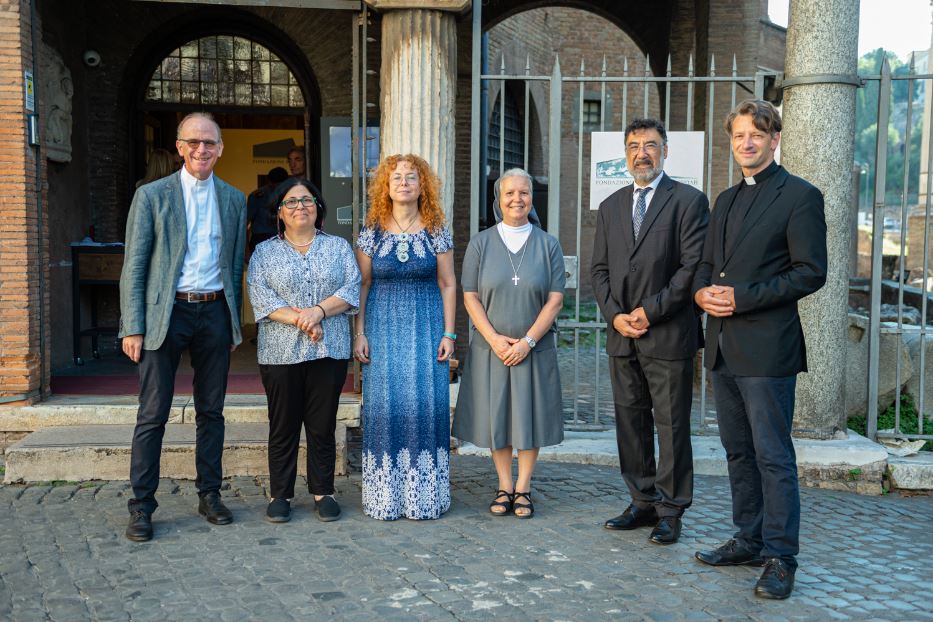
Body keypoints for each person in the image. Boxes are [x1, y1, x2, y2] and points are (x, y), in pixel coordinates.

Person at [692, 100, 827, 599]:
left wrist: (742, 298)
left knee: (773, 455)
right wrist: (700, 293)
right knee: (736, 451)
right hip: (723, 347)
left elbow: (812, 272)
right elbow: (706, 265)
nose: (746, 143)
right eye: (738, 136)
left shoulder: (801, 196)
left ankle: (780, 556)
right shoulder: (725, 200)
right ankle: (748, 538)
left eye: (756, 134)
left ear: (774, 140)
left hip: (768, 350)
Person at [119, 112, 246, 542]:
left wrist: (231, 322)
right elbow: (134, 265)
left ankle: (209, 494)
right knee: (152, 412)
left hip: (212, 312)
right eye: (193, 142)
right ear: (179, 147)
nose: (201, 150)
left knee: (212, 410)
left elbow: (233, 265)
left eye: (209, 143)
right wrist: (132, 326)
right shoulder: (152, 196)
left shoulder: (233, 199)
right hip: (164, 314)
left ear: (220, 148)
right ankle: (141, 506)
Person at [590, 118, 709, 545]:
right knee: (630, 421)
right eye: (635, 145)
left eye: (651, 145)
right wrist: (616, 316)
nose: (642, 152)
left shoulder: (689, 202)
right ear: (625, 154)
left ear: (665, 151)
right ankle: (641, 501)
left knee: (671, 425)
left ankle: (671, 509)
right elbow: (599, 270)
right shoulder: (612, 206)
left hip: (668, 334)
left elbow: (691, 268)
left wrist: (649, 312)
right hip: (622, 334)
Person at [453, 168, 565, 519]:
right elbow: (469, 297)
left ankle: (524, 487)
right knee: (497, 418)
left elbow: (555, 300)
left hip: (534, 348)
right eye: (509, 193)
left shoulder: (549, 245)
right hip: (492, 350)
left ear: (532, 198)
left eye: (524, 193)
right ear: (498, 199)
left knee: (529, 418)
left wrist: (527, 341)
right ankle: (504, 485)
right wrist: (496, 340)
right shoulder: (481, 243)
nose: (517, 199)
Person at [248, 177, 360, 523]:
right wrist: (302, 319)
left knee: (322, 424)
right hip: (280, 352)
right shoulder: (264, 252)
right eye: (292, 202)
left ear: (318, 208)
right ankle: (279, 493)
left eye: (307, 200)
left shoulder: (339, 247)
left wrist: (319, 312)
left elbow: (352, 286)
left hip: (329, 349)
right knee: (283, 424)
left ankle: (322, 490)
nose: (300, 207)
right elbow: (261, 297)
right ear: (279, 213)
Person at [353, 154, 456, 520]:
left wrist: (449, 333)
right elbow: (362, 284)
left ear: (422, 185)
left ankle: (424, 496)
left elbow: (447, 283)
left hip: (427, 326)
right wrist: (359, 332)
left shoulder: (437, 229)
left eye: (411, 177)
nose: (403, 183)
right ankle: (386, 497)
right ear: (386, 185)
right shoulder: (372, 231)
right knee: (386, 405)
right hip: (381, 328)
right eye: (396, 177)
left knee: (424, 403)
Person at [247, 166, 289, 253]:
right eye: (275, 185)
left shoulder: (291, 194)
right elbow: (245, 223)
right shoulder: (258, 196)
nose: (278, 188)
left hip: (284, 239)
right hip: (261, 240)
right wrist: (246, 250)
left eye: (281, 185)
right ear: (269, 182)